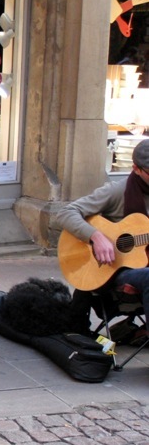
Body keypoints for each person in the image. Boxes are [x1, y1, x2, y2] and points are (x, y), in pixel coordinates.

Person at [56, 139, 149, 332]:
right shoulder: (117, 191)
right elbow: (66, 213)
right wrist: (95, 236)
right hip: (116, 268)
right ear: (136, 169)